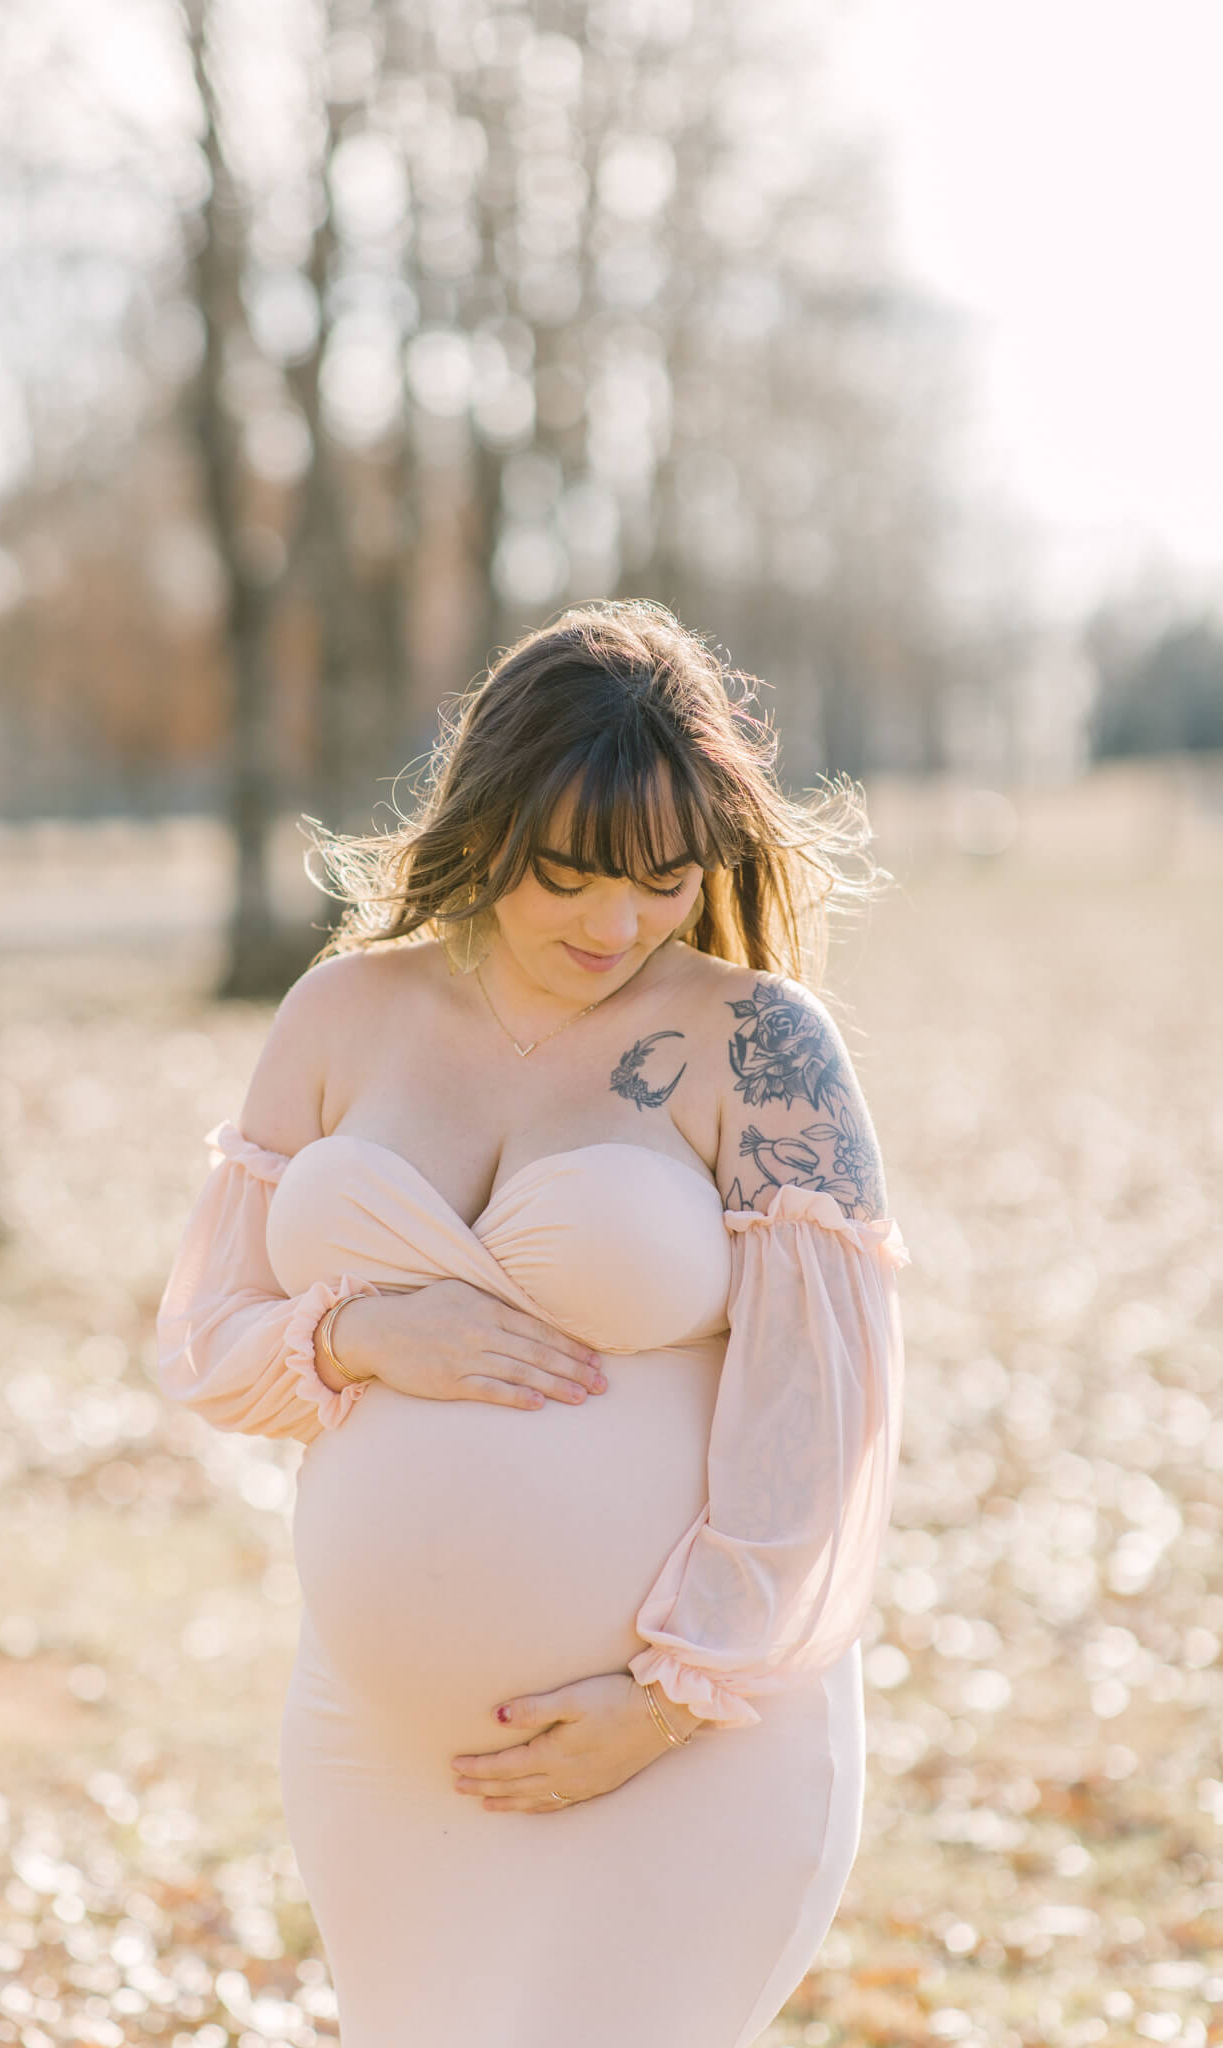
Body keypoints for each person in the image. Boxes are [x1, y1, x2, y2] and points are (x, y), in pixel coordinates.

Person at [155, 599, 910, 2048]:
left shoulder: (759, 1046)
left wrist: (675, 1696)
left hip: (685, 1740)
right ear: (485, 826)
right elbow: (206, 1341)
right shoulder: (338, 1015)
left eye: (663, 882)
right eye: (567, 876)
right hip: (384, 1753)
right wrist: (354, 1336)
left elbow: (823, 1423)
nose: (615, 925)